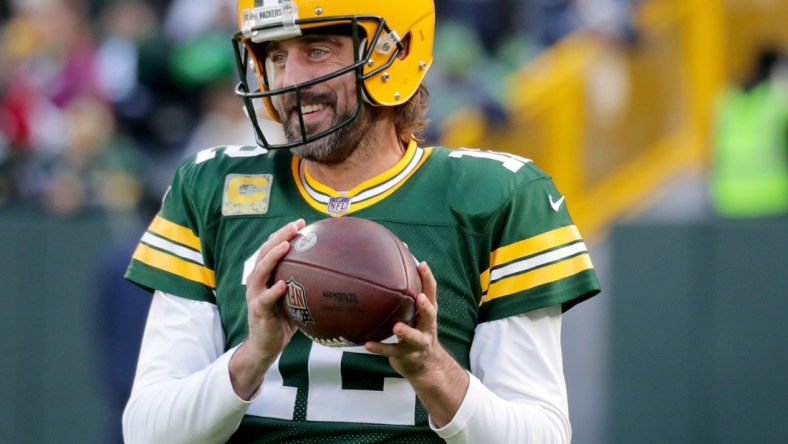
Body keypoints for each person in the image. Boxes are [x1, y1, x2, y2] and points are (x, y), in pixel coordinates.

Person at [122, 1, 601, 442]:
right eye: (275, 55)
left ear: (396, 51)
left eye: (317, 50)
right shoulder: (212, 187)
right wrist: (252, 357)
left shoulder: (496, 197)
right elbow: (148, 432)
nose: (290, 78)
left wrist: (431, 368)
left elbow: (540, 435)